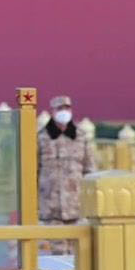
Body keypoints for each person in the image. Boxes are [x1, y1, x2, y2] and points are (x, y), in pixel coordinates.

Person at [38, 95, 95, 228]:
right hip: (51, 205)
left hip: (76, 204)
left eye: (67, 108)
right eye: (60, 108)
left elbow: (90, 169)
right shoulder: (42, 137)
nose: (64, 112)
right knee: (57, 247)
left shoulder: (81, 136)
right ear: (53, 112)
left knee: (77, 247)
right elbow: (33, 169)